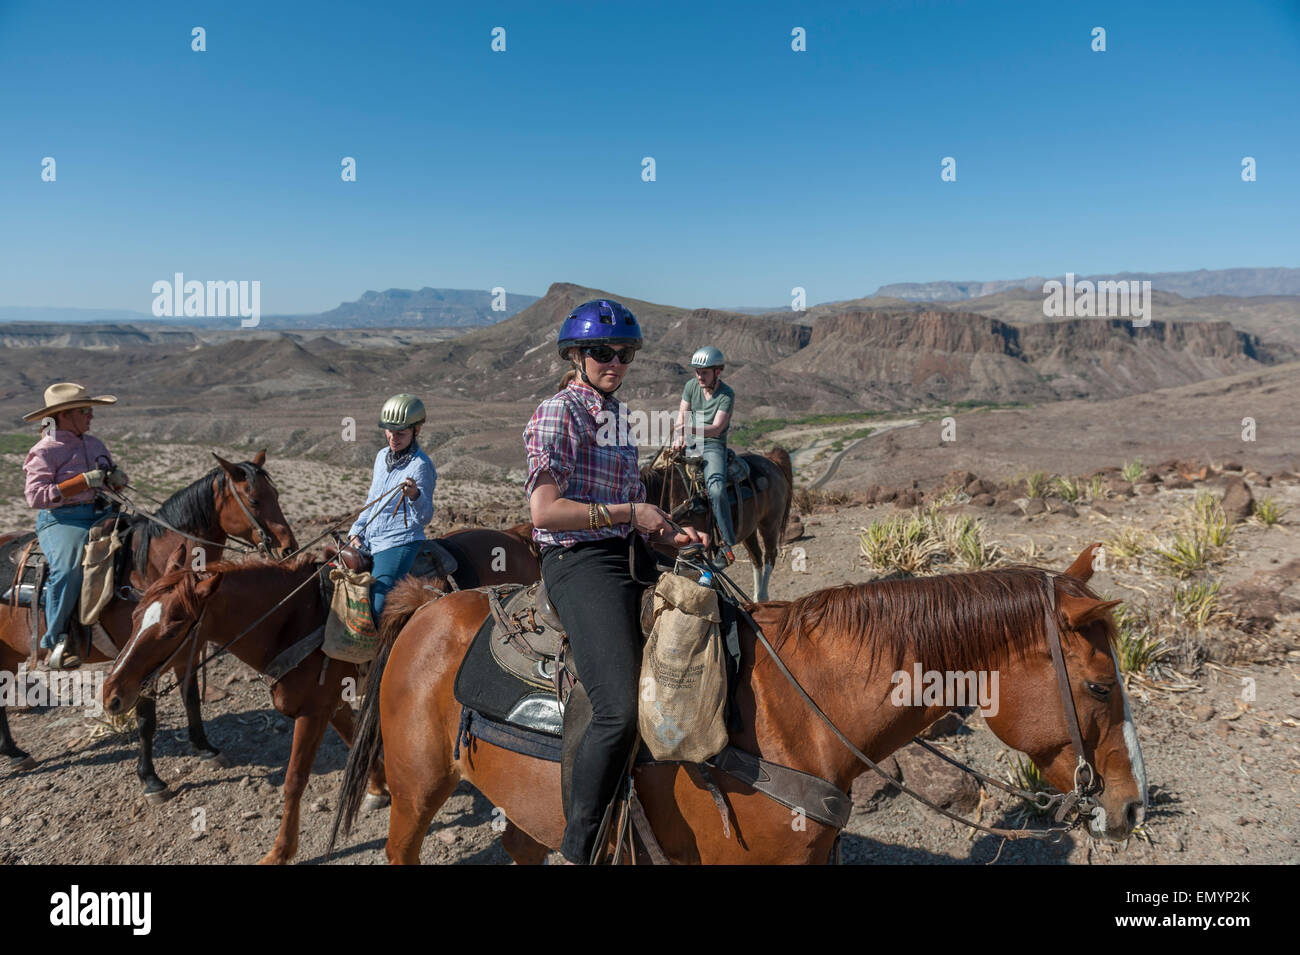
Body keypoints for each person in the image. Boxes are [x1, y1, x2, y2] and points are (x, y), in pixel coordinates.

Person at [524, 299, 706, 864]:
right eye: (603, 352)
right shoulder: (559, 413)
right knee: (617, 708)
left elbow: (633, 510)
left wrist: (669, 536)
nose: (615, 363)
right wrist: (630, 513)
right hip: (578, 562)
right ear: (576, 356)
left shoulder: (619, 417)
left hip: (626, 551)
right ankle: (577, 847)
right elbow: (544, 513)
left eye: (623, 354)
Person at [22, 383, 130, 670]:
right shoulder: (44, 450)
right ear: (64, 416)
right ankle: (56, 639)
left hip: (101, 513)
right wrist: (80, 483)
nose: (91, 416)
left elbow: (107, 478)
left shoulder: (94, 444)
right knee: (68, 568)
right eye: (85, 411)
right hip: (63, 520)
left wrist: (115, 480)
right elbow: (36, 496)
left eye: (91, 410)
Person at [346, 394, 437, 624]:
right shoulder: (381, 457)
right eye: (389, 431)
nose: (393, 438)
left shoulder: (421, 466)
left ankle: (382, 657)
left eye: (400, 433)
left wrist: (415, 495)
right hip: (369, 537)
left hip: (399, 541)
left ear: (416, 430)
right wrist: (357, 529)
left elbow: (425, 517)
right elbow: (372, 500)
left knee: (377, 605)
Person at [673, 345, 737, 564]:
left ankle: (727, 543)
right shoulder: (691, 386)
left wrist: (688, 430)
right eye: (697, 371)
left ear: (717, 372)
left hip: (713, 444)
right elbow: (682, 416)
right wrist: (678, 437)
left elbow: (717, 428)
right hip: (690, 442)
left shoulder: (726, 394)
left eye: (704, 372)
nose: (699, 376)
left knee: (717, 488)